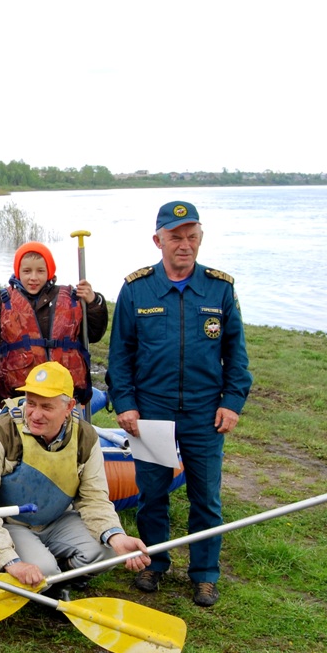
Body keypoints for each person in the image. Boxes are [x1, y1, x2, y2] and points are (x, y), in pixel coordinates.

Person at [106, 201, 252, 607]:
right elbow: (120, 355)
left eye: (192, 237)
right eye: (175, 237)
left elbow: (236, 354)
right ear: (158, 241)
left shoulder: (220, 289)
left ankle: (204, 574)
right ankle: (154, 563)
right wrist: (125, 403)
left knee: (206, 498)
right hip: (151, 411)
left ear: (200, 239)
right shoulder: (137, 289)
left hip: (205, 413)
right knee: (152, 494)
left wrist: (232, 402)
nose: (184, 245)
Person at [0, 362, 150, 595]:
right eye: (31, 403)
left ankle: (58, 581)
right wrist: (8, 560)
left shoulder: (85, 436)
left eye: (47, 407)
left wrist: (115, 534)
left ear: (69, 407)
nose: (36, 414)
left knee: (109, 550)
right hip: (12, 524)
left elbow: (94, 498)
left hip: (58, 519)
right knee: (43, 569)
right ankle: (23, 570)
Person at [0, 241, 107, 406]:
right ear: (18, 272)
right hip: (19, 399)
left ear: (49, 272)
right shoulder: (0, 302)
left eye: (40, 271)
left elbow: (94, 333)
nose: (33, 277)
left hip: (65, 397)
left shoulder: (72, 299)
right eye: (27, 271)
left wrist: (94, 302)